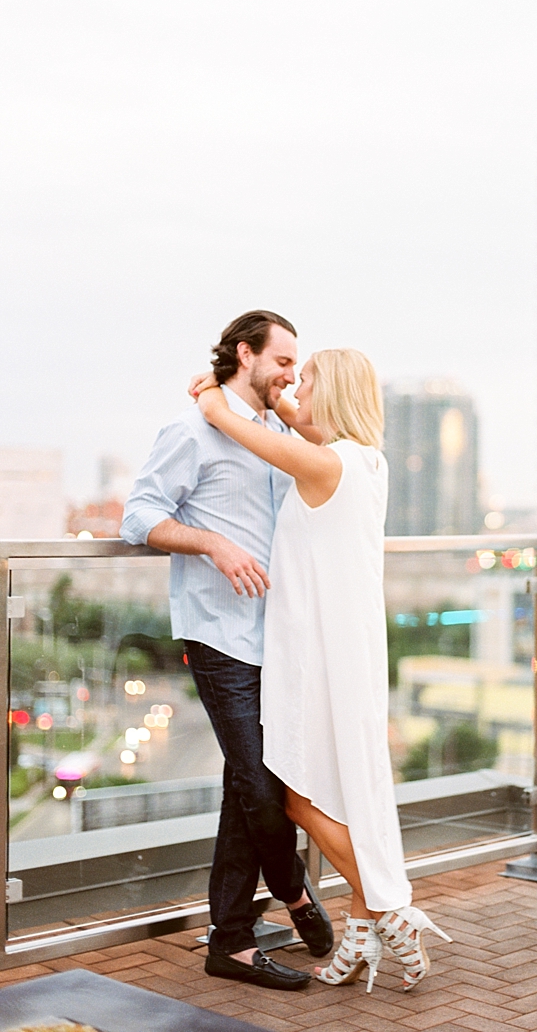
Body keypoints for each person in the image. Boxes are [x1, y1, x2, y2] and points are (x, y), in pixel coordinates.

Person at [192, 347, 452, 994]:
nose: (294, 389)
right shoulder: (363, 460)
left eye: (304, 379)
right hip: (344, 650)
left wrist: (212, 401)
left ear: (329, 392)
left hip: (318, 656)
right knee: (349, 794)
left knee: (299, 793)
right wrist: (279, 390)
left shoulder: (326, 463)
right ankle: (362, 934)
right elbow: (296, 423)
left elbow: (250, 432)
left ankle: (387, 908)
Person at [120, 310, 333, 993]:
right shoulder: (190, 431)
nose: (290, 374)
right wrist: (213, 541)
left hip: (277, 636)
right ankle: (292, 893)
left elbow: (329, 442)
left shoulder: (271, 432)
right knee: (259, 784)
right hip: (217, 632)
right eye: (282, 360)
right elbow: (137, 516)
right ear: (245, 352)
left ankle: (231, 940)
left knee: (248, 784)